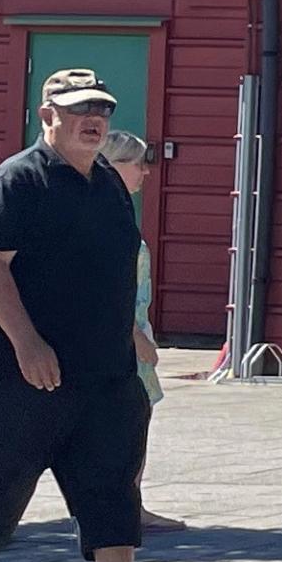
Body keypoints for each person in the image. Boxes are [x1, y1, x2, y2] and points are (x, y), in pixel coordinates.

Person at [0, 70, 182, 562]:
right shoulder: (15, 182)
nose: (93, 120)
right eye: (78, 110)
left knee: (113, 473)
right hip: (22, 364)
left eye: (102, 111)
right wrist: (28, 343)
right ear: (48, 117)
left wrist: (134, 334)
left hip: (104, 363)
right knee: (1, 471)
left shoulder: (107, 183)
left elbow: (109, 269)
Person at [98, 128, 189, 541]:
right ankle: (116, 510)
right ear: (114, 165)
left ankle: (131, 504)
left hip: (131, 333)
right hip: (118, 341)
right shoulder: (99, 213)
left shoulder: (116, 210)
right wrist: (136, 337)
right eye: (137, 163)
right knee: (123, 425)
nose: (145, 172)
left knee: (137, 420)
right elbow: (101, 286)